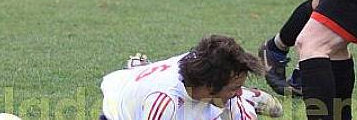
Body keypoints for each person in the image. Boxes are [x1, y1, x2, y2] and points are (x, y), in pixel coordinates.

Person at [99, 35, 283, 120]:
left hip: (197, 94)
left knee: (270, 110)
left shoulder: (203, 66)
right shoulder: (163, 103)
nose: (236, 93)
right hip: (121, 105)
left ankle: (249, 97)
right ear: (210, 86)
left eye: (239, 87)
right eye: (236, 88)